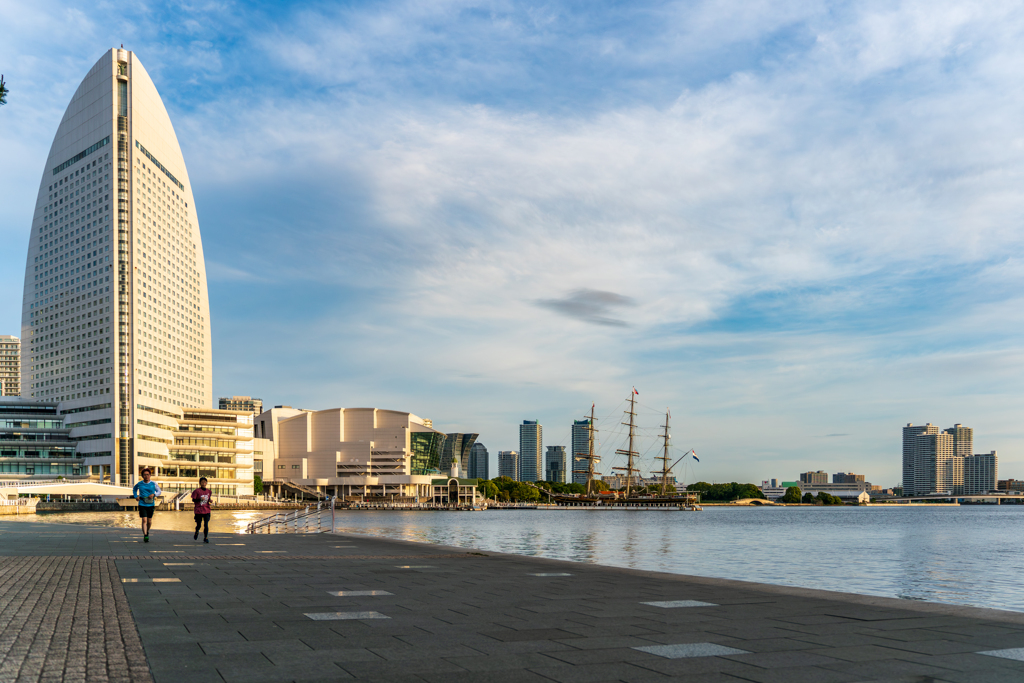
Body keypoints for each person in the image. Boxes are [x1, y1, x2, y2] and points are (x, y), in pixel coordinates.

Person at [132, 468, 162, 543]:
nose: (146, 476)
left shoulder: (153, 483)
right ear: (142, 476)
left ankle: (147, 531)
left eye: (148, 474)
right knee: (144, 520)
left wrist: (154, 494)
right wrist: (136, 496)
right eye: (145, 475)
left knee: (149, 521)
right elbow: (134, 489)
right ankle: (145, 535)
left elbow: (159, 491)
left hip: (151, 504)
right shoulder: (139, 484)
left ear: (150, 475)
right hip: (142, 503)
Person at [191, 477, 213, 543]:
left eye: (205, 482)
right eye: (202, 482)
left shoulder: (209, 491)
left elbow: (208, 499)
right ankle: (197, 531)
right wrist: (200, 499)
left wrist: (210, 500)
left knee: (206, 524)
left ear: (206, 483)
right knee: (199, 525)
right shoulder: (196, 491)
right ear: (200, 483)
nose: (203, 483)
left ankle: (205, 537)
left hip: (206, 510)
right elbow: (193, 499)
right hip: (198, 510)